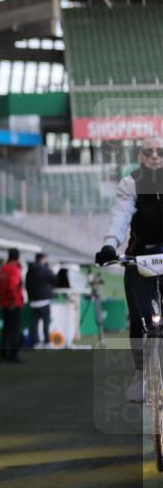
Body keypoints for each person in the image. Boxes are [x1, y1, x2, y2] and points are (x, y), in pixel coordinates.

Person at [95, 135, 163, 403]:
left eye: (160, 152)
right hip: (140, 257)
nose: (155, 156)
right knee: (140, 316)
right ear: (140, 156)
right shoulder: (130, 183)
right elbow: (121, 216)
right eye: (149, 152)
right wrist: (110, 246)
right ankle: (140, 373)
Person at [0, 248, 25, 364]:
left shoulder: (2, 269)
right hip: (14, 304)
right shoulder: (15, 270)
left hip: (4, 304)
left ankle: (3, 355)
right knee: (15, 330)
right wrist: (14, 300)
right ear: (18, 257)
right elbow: (13, 286)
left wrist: (0, 300)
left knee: (6, 330)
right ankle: (13, 355)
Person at [25, 253, 57, 348]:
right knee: (46, 323)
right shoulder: (46, 270)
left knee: (34, 324)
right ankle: (47, 342)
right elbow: (55, 280)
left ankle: (35, 343)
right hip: (44, 301)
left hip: (33, 301)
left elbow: (26, 285)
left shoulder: (29, 271)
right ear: (43, 259)